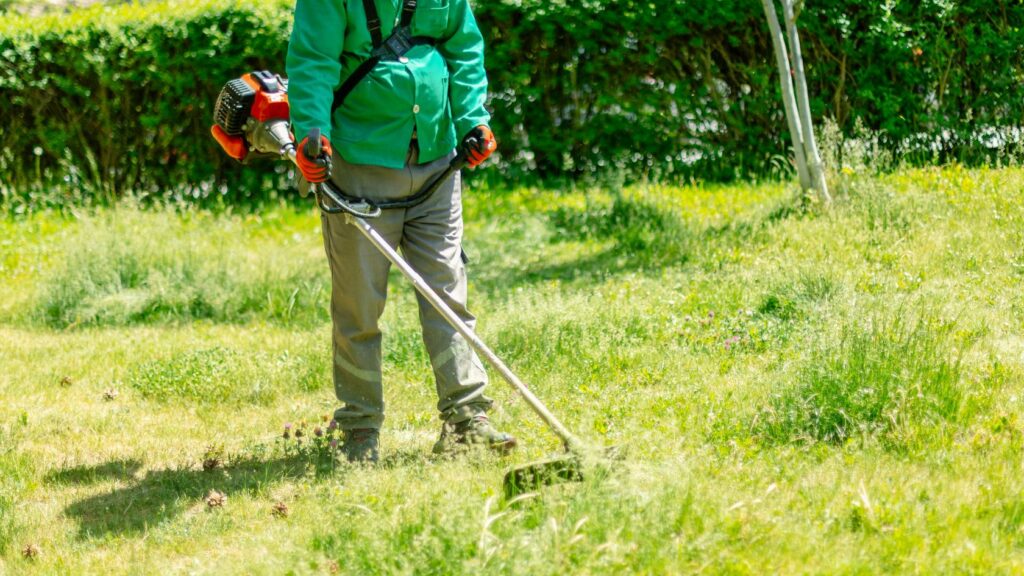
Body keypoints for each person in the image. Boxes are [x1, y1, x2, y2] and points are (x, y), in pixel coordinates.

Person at [286, 0, 516, 463]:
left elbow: (464, 47)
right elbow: (313, 63)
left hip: (437, 160)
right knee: (359, 305)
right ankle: (358, 430)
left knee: (446, 292)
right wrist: (312, 130)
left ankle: (467, 421)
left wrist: (473, 117)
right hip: (359, 166)